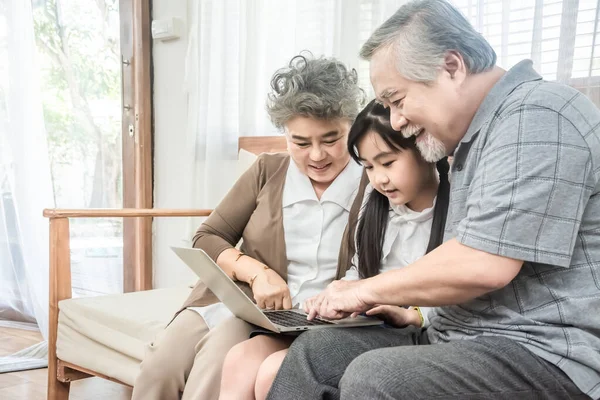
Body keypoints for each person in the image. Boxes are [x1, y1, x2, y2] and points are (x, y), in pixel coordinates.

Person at [267, 1, 600, 399]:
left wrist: (365, 289)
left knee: (378, 377)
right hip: (460, 335)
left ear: (452, 67)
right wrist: (414, 313)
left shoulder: (538, 112)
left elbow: (483, 264)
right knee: (315, 353)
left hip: (543, 352)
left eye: (397, 99)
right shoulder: (471, 142)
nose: (395, 121)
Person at [130, 53, 365, 400]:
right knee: (159, 367)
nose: (316, 155)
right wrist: (257, 273)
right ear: (285, 135)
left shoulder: (374, 182)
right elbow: (207, 237)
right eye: (300, 142)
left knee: (215, 366)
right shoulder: (268, 170)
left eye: (331, 140)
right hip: (238, 298)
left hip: (303, 322)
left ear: (353, 128)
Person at [219, 99, 451, 400]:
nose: (379, 178)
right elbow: (361, 268)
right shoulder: (375, 200)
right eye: (368, 166)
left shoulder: (454, 207)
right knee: (241, 357)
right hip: (369, 323)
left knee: (273, 371)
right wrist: (337, 293)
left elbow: (463, 284)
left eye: (388, 162)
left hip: (414, 328)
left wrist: (415, 314)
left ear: (424, 148)